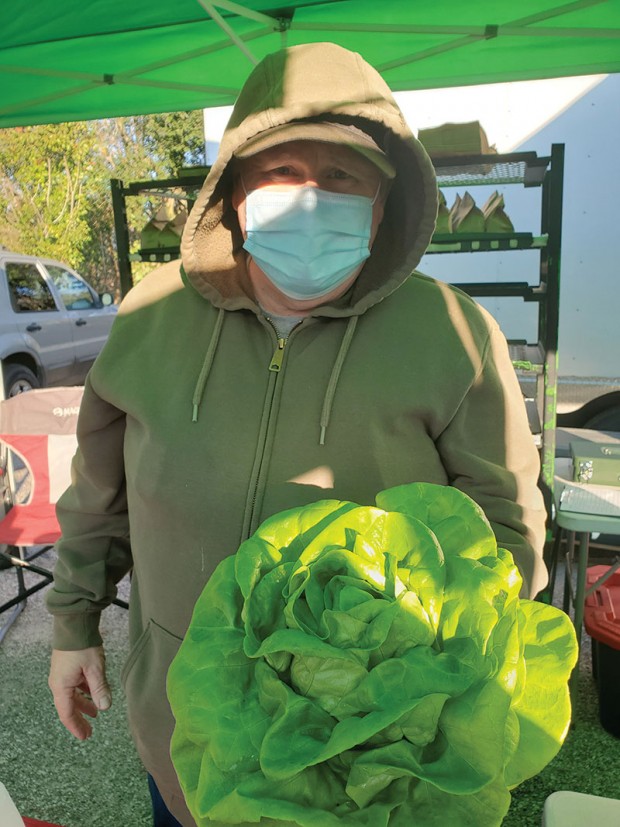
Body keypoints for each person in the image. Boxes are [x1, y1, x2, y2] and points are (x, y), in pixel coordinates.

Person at [46, 41, 548, 827]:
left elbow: (508, 521)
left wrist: (436, 690)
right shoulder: (150, 316)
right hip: (188, 717)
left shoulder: (451, 331)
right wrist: (74, 623)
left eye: (341, 177)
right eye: (280, 170)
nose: (310, 197)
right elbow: (100, 489)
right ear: (235, 192)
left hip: (366, 750)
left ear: (382, 204)